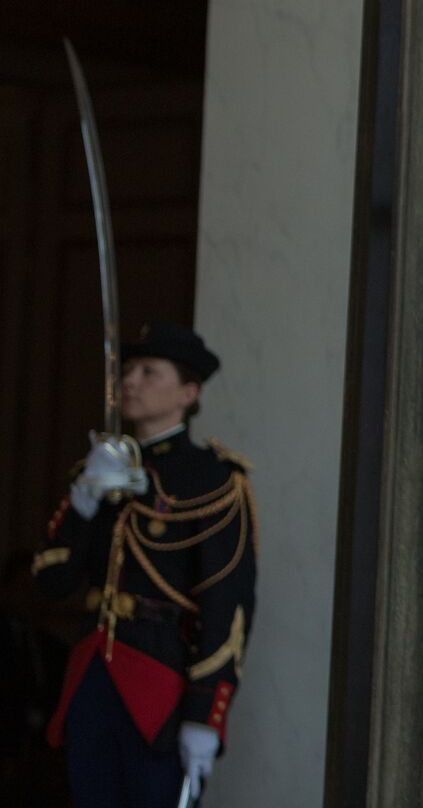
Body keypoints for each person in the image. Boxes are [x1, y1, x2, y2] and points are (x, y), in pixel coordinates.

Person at [32, 322, 257, 807]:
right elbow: (52, 582)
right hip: (93, 675)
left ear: (188, 392)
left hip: (160, 685)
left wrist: (206, 714)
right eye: (128, 370)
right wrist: (86, 498)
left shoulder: (211, 479)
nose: (130, 381)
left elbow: (226, 603)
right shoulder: (96, 471)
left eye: (149, 372)